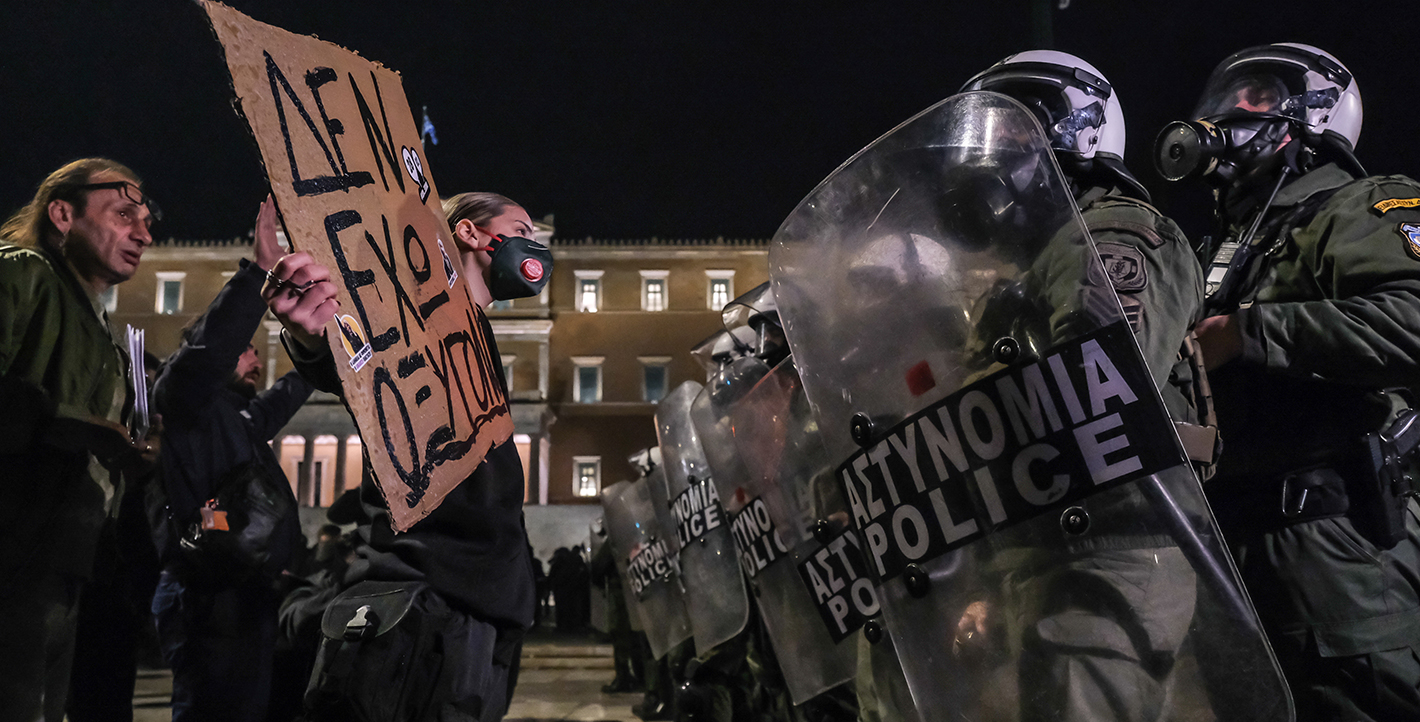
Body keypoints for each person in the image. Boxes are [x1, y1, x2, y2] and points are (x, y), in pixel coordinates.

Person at [1155, 43, 1420, 721]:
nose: (1232, 111)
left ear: (1315, 115)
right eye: (1226, 95)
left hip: (1337, 544)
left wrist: (1250, 332)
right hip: (1232, 550)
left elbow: (1414, 320)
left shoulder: (1360, 204)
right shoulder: (1221, 246)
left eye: (1260, 95)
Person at [960, 51, 1209, 720]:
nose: (989, 147)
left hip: (1111, 549)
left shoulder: (1111, 233)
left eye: (1014, 126)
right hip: (1050, 550)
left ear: (1082, 131)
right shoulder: (1033, 266)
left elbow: (1101, 378)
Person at [263, 191, 546, 720]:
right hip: (431, 598)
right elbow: (360, 363)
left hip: (488, 603)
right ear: (470, 233)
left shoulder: (478, 333)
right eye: (523, 230)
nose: (536, 248)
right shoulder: (414, 313)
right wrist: (311, 339)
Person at [0, 158, 159, 721]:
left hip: (65, 562)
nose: (144, 233)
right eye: (124, 214)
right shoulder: (21, 272)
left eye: (147, 220)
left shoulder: (106, 333)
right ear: (63, 214)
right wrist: (66, 425)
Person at [150, 196, 314, 722]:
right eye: (245, 348)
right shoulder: (187, 400)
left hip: (249, 593)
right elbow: (206, 354)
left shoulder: (241, 418)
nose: (255, 356)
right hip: (209, 592)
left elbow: (290, 391)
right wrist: (258, 274)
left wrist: (323, 342)